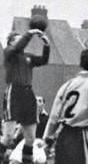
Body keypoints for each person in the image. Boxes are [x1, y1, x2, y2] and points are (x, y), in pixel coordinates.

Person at [1, 29, 50, 164]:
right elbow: (18, 47)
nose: (22, 40)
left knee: (30, 139)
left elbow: (43, 60)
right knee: (8, 137)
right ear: (11, 42)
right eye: (18, 38)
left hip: (28, 94)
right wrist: (30, 33)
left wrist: (46, 45)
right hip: (14, 92)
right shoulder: (9, 52)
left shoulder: (27, 56)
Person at [9, 96, 49, 164]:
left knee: (40, 161)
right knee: (14, 161)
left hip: (39, 142)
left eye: (39, 101)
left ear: (43, 104)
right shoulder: (26, 116)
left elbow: (50, 134)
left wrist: (45, 143)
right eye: (35, 101)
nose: (36, 103)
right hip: (25, 141)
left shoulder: (47, 118)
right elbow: (19, 129)